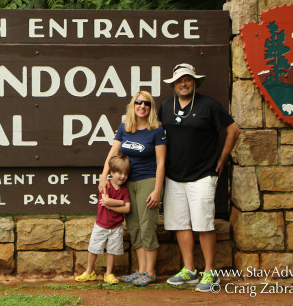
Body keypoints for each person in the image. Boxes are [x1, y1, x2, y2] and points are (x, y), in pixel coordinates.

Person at [158, 63, 240, 292]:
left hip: (203, 174)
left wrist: (223, 158)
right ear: (173, 84)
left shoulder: (209, 105)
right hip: (174, 176)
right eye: (179, 80)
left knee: (203, 224)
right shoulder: (165, 107)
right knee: (180, 224)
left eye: (188, 79)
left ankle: (210, 272)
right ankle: (190, 270)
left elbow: (234, 130)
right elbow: (155, 134)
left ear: (194, 82)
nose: (184, 83)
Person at [99, 91, 167, 286]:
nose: (142, 106)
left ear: (150, 107)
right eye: (138, 102)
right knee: (135, 227)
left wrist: (156, 190)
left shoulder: (157, 130)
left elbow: (161, 162)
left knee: (147, 226)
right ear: (133, 105)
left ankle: (151, 272)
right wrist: (104, 176)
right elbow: (113, 154)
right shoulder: (124, 128)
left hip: (148, 180)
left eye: (146, 103)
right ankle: (141, 270)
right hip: (128, 182)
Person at [75, 154, 131, 284]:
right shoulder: (106, 185)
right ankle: (89, 272)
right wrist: (121, 202)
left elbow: (127, 209)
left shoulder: (124, 190)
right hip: (101, 225)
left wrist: (115, 205)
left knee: (112, 250)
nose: (122, 176)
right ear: (111, 172)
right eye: (119, 173)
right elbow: (105, 200)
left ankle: (109, 273)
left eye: (125, 174)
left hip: (116, 227)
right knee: (94, 248)